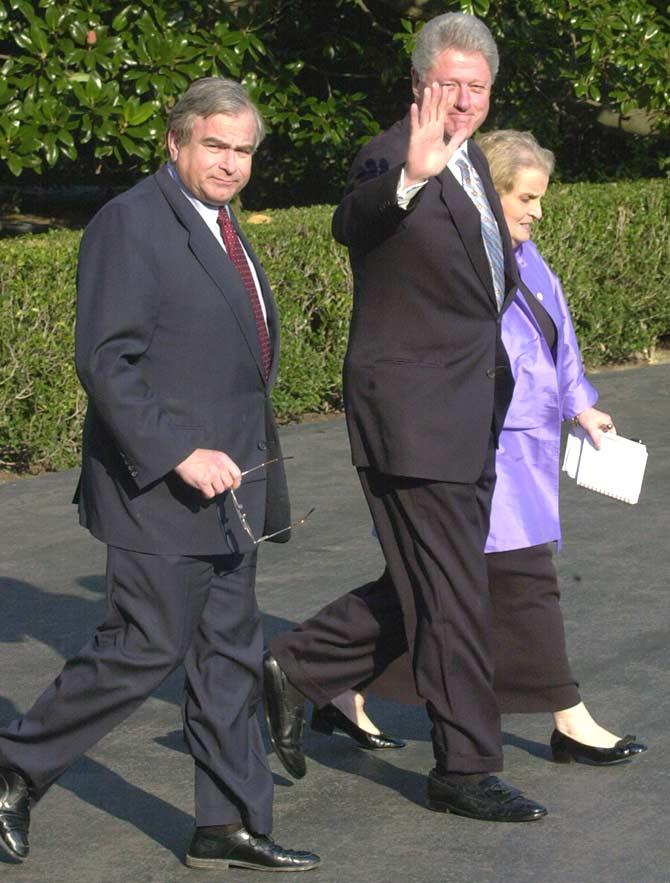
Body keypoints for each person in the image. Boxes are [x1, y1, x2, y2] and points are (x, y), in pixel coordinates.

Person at [0, 78, 319, 873]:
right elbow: (107, 361)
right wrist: (179, 451)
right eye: (216, 145)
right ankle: (15, 767)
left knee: (228, 656)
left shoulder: (221, 224)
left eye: (244, 150)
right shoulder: (130, 223)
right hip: (159, 486)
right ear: (175, 143)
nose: (232, 163)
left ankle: (230, 822)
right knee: (142, 648)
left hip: (230, 488)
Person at [264, 13, 548, 823]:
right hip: (415, 414)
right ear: (420, 84)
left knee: (432, 580)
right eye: (448, 84)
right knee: (457, 591)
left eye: (477, 88)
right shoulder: (396, 154)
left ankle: (293, 666)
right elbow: (352, 220)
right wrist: (408, 179)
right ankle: (463, 767)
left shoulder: (471, 166)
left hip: (462, 411)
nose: (462, 101)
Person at [327, 130, 648, 766]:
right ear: (490, 192)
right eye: (525, 198)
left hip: (523, 444)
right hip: (483, 441)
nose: (535, 212)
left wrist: (580, 404)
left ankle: (333, 679)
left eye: (538, 200)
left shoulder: (528, 257)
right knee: (521, 581)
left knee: (430, 586)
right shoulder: (461, 260)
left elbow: (557, 338)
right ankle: (569, 717)